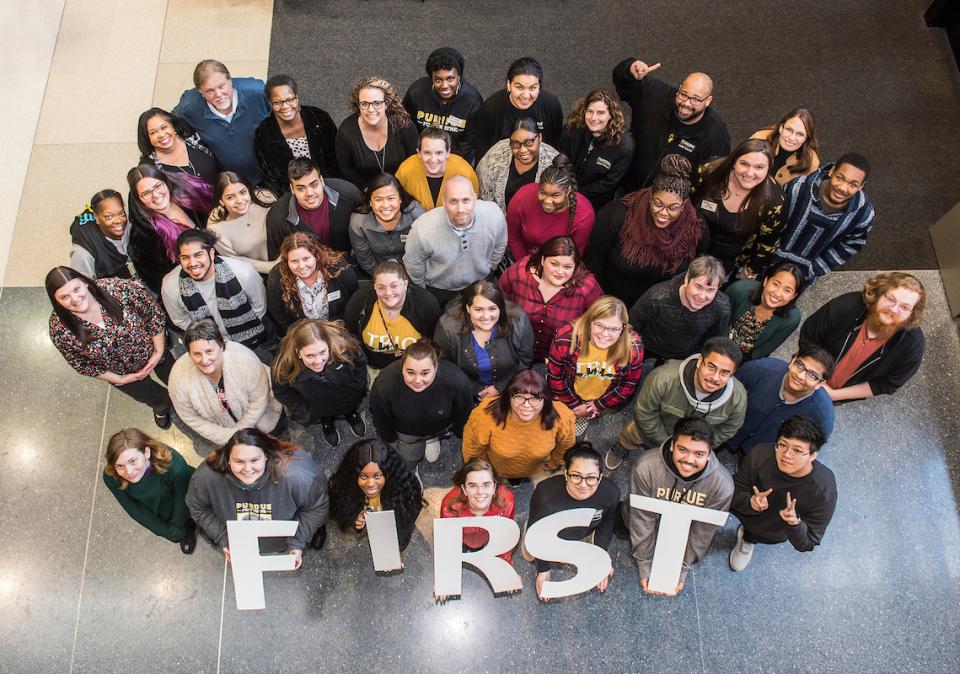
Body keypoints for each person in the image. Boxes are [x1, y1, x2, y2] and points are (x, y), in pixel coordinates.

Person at [47, 268, 173, 428]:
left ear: (84, 282)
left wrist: (159, 350)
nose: (74, 299)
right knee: (154, 398)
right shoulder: (59, 330)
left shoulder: (118, 289)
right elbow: (82, 364)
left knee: (174, 379)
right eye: (64, 297)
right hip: (121, 373)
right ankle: (161, 408)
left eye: (76, 289)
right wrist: (120, 379)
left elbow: (153, 315)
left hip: (153, 349)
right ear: (56, 301)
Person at [186, 428, 329, 567]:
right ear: (228, 459)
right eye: (239, 461)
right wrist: (225, 538)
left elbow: (316, 507)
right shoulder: (206, 478)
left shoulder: (297, 477)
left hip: (282, 540)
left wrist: (298, 541)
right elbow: (197, 507)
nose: (247, 469)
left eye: (254, 460)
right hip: (243, 542)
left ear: (266, 456)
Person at [624, 417, 733, 596]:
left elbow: (702, 532)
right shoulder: (646, 467)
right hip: (647, 518)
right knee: (626, 520)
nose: (689, 460)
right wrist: (644, 563)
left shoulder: (722, 485)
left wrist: (680, 569)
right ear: (672, 445)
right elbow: (641, 519)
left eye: (699, 454)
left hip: (683, 530)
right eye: (683, 450)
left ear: (709, 453)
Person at [584, 154, 708, 307]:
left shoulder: (696, 227)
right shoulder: (618, 214)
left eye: (673, 208)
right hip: (611, 303)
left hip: (659, 309)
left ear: (684, 205)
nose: (663, 213)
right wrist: (599, 304)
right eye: (658, 203)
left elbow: (697, 268)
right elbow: (592, 261)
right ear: (650, 196)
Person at [605, 337, 747, 470]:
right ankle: (620, 447)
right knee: (631, 434)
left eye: (724, 373)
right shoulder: (662, 378)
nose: (715, 377)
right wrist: (668, 443)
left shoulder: (738, 398)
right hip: (653, 430)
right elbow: (645, 412)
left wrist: (697, 447)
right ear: (699, 361)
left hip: (692, 445)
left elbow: (729, 428)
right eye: (711, 367)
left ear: (732, 375)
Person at [728, 415, 836, 572]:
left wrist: (794, 523)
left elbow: (808, 542)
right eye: (782, 445)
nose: (786, 455)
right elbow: (733, 491)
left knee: (758, 535)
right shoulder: (760, 455)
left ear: (813, 455)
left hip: (773, 530)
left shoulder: (823, 490)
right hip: (744, 512)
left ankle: (748, 539)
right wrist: (750, 501)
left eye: (798, 450)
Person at [798, 271, 925, 401]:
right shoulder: (847, 305)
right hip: (804, 375)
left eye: (904, 307)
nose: (893, 309)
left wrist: (833, 396)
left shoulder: (912, 346)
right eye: (891, 299)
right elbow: (809, 337)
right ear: (879, 294)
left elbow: (887, 384)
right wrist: (810, 377)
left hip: (836, 396)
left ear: (912, 314)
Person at [612, 57, 730, 191]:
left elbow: (714, 180)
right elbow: (622, 82)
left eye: (696, 99)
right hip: (625, 186)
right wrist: (629, 68)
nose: (686, 103)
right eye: (683, 95)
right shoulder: (654, 95)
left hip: (668, 205)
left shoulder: (716, 135)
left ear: (708, 101)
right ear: (679, 89)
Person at [169, 319, 284, 448]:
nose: (204, 360)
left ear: (222, 346)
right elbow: (192, 419)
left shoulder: (245, 360)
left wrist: (239, 431)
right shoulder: (178, 379)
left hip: (263, 417)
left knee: (277, 439)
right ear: (189, 354)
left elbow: (260, 399)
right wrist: (228, 436)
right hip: (225, 432)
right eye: (196, 354)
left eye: (209, 351)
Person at [525, 443, 619, 599]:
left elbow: (607, 523)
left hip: (584, 533)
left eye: (591, 478)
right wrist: (543, 569)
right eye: (576, 476)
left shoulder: (611, 493)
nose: (583, 485)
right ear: (566, 474)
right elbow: (537, 531)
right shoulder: (544, 494)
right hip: (549, 534)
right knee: (530, 548)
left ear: (600, 477)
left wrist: (600, 559)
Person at [767, 153, 875, 284]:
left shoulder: (862, 215)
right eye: (840, 178)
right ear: (832, 171)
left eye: (853, 184)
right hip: (766, 262)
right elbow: (770, 218)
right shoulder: (798, 188)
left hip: (803, 278)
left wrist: (815, 268)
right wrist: (767, 253)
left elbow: (852, 244)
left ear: (861, 186)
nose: (842, 188)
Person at [402, 175, 507, 308]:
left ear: (475, 199)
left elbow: (500, 244)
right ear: (444, 202)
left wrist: (491, 267)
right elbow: (413, 263)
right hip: (439, 289)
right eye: (453, 201)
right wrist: (424, 292)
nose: (460, 209)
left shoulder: (494, 216)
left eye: (466, 200)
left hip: (479, 282)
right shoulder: (422, 228)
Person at [546, 295, 645, 436]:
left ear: (623, 328)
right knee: (560, 418)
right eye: (599, 325)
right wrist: (574, 405)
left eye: (613, 329)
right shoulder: (566, 338)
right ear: (589, 321)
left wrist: (594, 406)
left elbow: (628, 384)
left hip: (600, 396)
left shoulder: (633, 349)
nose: (605, 334)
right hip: (569, 390)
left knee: (582, 414)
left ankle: (582, 414)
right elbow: (555, 376)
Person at [369, 340, 474, 468]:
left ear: (436, 368)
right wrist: (390, 439)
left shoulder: (455, 379)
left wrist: (459, 430)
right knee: (408, 459)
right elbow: (381, 418)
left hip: (441, 427)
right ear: (402, 368)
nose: (417, 381)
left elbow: (464, 410)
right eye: (410, 372)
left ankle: (432, 439)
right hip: (407, 433)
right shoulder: (384, 385)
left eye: (425, 373)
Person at [160, 229, 270, 350]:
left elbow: (260, 305)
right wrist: (208, 336)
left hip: (254, 337)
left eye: (198, 255)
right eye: (185, 257)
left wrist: (246, 328)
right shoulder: (170, 285)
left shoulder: (241, 271)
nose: (192, 263)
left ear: (211, 253)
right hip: (210, 345)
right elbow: (180, 320)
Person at [499, 236, 603, 360]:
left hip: (558, 359)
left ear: (575, 267)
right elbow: (500, 297)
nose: (560, 272)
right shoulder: (521, 272)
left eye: (567, 267)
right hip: (516, 351)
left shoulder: (587, 288)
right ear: (543, 260)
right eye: (554, 264)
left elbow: (602, 318)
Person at [692, 138, 785, 277]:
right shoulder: (709, 171)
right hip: (688, 246)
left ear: (768, 168)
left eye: (759, 167)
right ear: (734, 161)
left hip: (726, 263)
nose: (749, 173)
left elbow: (767, 243)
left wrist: (750, 271)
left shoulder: (774, 202)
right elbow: (686, 200)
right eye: (744, 164)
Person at [461, 369, 575, 481]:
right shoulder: (483, 416)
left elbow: (565, 446)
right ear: (508, 397)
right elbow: (473, 450)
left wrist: (552, 464)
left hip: (536, 469)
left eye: (535, 398)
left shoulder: (563, 417)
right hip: (497, 471)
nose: (526, 405)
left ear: (545, 399)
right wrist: (485, 473)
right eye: (519, 397)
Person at [271, 319, 368, 447]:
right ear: (297, 352)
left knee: (349, 407)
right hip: (316, 405)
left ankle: (351, 415)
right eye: (310, 356)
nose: (318, 361)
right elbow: (282, 392)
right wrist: (305, 411)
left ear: (328, 345)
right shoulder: (284, 366)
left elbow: (360, 361)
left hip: (347, 395)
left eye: (322, 352)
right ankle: (327, 422)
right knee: (325, 414)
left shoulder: (344, 345)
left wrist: (358, 385)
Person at [171, 60, 271, 184]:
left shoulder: (258, 92)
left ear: (230, 80)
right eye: (210, 91)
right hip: (230, 181)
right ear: (200, 92)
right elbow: (165, 124)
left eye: (221, 86)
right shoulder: (189, 108)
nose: (218, 94)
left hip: (271, 172)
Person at [727, 346, 836, 455]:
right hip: (726, 432)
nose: (800, 376)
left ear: (820, 384)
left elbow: (808, 451)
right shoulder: (761, 369)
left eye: (812, 375)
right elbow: (726, 391)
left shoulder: (823, 416)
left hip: (765, 457)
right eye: (800, 365)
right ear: (793, 361)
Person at [433, 281, 534, 399]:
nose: (486, 316)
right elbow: (445, 367)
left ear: (500, 307)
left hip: (510, 386)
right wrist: (476, 389)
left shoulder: (518, 320)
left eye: (492, 309)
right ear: (468, 308)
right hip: (463, 389)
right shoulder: (448, 327)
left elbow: (525, 360)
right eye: (478, 309)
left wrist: (499, 388)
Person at [103, 428, 196, 554]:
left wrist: (176, 527)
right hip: (161, 509)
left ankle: (188, 524)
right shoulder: (111, 476)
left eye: (132, 461)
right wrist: (166, 531)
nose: (128, 472)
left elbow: (183, 497)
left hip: (187, 498)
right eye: (120, 466)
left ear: (146, 452)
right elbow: (135, 510)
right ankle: (187, 528)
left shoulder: (173, 463)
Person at [343, 262, 442, 376]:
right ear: (374, 286)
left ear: (405, 284)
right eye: (381, 288)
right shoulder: (358, 302)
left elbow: (434, 343)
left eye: (394, 286)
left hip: (415, 371)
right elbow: (351, 340)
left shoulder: (425, 304)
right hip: (374, 368)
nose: (388, 293)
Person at [628, 255, 731, 364]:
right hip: (647, 350)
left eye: (710, 290)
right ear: (687, 279)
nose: (702, 296)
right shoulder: (658, 297)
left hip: (686, 358)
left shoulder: (721, 307)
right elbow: (632, 326)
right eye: (698, 287)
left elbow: (714, 341)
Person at [126, 163, 211, 293]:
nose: (155, 195)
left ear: (165, 182)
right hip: (190, 289)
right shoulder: (143, 234)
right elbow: (156, 277)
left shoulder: (187, 202)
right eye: (146, 193)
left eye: (158, 186)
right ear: (139, 199)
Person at [328, 439, 423, 551]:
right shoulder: (347, 490)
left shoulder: (406, 491)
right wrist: (355, 519)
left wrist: (396, 550)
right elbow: (342, 509)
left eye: (377, 476)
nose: (370, 484)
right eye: (363, 476)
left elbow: (405, 524)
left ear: (388, 474)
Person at [254, 74, 340, 196]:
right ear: (270, 103)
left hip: (328, 187)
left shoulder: (319, 118)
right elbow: (270, 177)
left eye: (289, 99)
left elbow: (335, 158)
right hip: (290, 194)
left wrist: (324, 188)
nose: (285, 106)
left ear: (297, 98)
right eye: (277, 102)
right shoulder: (264, 133)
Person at [265, 157, 363, 257]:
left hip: (350, 261)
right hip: (305, 269)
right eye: (301, 189)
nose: (309, 193)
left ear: (322, 180)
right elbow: (278, 259)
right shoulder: (277, 218)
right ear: (292, 189)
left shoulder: (349, 194)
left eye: (314, 185)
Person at [402, 47, 484, 163]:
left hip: (457, 157)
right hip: (422, 154)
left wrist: (444, 161)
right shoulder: (416, 93)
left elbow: (469, 141)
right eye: (438, 80)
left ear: (459, 76)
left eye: (450, 79)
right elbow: (406, 126)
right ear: (431, 78)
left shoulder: (472, 101)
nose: (444, 86)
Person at [506, 154, 595, 261]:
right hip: (522, 260)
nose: (547, 201)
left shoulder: (584, 215)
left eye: (555, 195)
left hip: (558, 269)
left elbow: (573, 258)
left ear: (569, 191)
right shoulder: (522, 197)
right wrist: (526, 267)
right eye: (542, 192)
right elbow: (513, 238)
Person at [335, 76, 418, 190]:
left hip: (403, 188)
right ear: (358, 105)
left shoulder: (404, 126)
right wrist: (370, 192)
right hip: (365, 192)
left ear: (386, 103)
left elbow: (414, 162)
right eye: (365, 104)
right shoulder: (346, 132)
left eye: (377, 103)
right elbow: (347, 170)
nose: (371, 110)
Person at [266, 232, 358, 334]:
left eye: (306, 258)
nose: (301, 266)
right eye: (294, 261)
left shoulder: (339, 269)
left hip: (339, 331)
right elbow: (279, 315)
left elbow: (355, 301)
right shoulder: (277, 278)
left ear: (316, 255)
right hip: (302, 335)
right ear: (286, 261)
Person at [474, 57, 563, 160]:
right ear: (508, 84)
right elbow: (482, 149)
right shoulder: (491, 107)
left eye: (532, 88)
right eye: (519, 87)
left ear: (539, 87)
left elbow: (555, 144)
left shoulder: (551, 105)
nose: (525, 95)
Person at [560, 88, 635, 210]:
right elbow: (561, 155)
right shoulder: (574, 127)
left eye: (600, 113)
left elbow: (609, 183)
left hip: (594, 202)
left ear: (611, 114)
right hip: (564, 188)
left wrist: (577, 193)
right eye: (590, 111)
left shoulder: (624, 146)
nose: (593, 118)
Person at [476, 117, 560, 213]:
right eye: (516, 144)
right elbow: (483, 196)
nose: (523, 150)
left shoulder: (553, 163)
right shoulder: (495, 156)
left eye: (529, 143)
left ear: (540, 138)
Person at [724, 262, 805, 360]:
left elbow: (763, 351)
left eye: (787, 291)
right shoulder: (739, 290)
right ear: (766, 281)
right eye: (775, 284)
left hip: (744, 362)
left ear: (794, 296)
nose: (778, 293)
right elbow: (717, 323)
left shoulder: (792, 318)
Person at [348, 173, 425, 276]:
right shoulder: (358, 222)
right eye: (378, 199)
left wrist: (412, 277)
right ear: (370, 202)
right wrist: (384, 279)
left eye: (391, 198)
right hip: (377, 274)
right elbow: (365, 260)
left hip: (414, 272)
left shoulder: (415, 213)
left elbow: (424, 252)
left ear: (400, 198)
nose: (385, 205)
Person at [440, 459, 516, 562]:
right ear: (464, 489)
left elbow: (505, 536)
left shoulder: (506, 502)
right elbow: (448, 540)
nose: (480, 492)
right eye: (473, 486)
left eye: (486, 485)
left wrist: (505, 567)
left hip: (488, 538)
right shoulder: (450, 508)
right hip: (462, 540)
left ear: (494, 487)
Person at [207, 171, 277, 274]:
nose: (239, 200)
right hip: (262, 274)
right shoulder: (216, 230)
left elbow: (285, 226)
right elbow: (237, 261)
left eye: (243, 192)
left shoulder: (264, 198)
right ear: (221, 201)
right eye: (230, 197)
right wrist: (273, 267)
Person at [395, 128, 479, 210]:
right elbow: (396, 202)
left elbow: (473, 205)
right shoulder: (406, 170)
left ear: (448, 152)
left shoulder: (465, 172)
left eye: (439, 153)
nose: (433, 159)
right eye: (427, 153)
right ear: (419, 153)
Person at [136, 107, 220, 188]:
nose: (161, 135)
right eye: (153, 132)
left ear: (172, 126)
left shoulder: (194, 138)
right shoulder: (147, 167)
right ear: (147, 138)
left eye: (164, 127)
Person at [69, 189, 135, 280]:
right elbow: (83, 286)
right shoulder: (84, 252)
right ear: (96, 217)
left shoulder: (131, 227)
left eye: (121, 213)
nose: (118, 220)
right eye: (109, 216)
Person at [750, 108, 821, 186]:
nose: (791, 138)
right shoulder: (759, 139)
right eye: (789, 129)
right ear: (781, 128)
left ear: (806, 138)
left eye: (800, 134)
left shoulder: (811, 163)